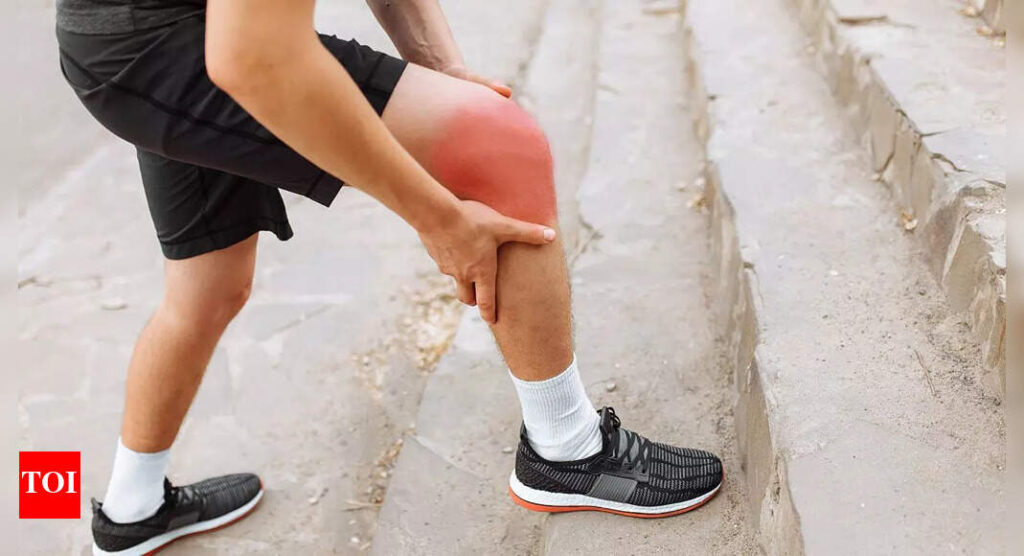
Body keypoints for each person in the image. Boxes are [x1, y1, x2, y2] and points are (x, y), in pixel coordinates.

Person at [54, 0, 724, 553]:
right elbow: (254, 61)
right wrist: (438, 217)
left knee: (210, 287)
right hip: (171, 45)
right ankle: (568, 448)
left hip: (141, 40)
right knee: (504, 146)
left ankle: (132, 509)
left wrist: (441, 66)